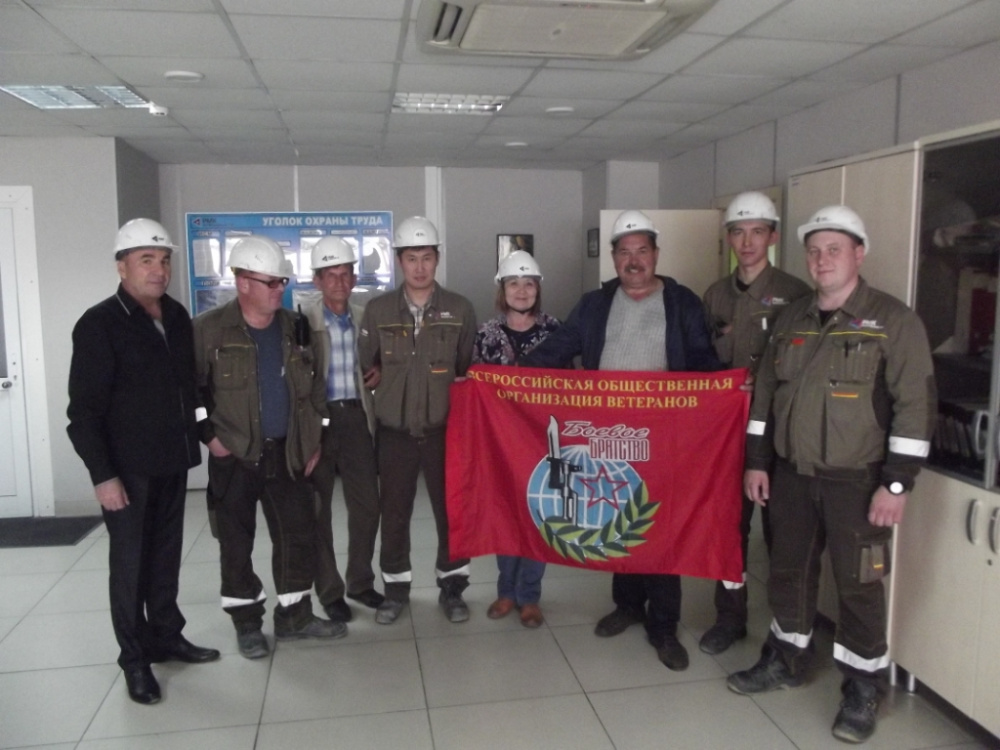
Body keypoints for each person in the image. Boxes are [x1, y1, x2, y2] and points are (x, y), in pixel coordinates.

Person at [727, 206, 936, 744]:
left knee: (859, 586)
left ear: (858, 254)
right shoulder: (792, 318)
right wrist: (757, 461)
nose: (822, 260)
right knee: (787, 573)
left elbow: (915, 408)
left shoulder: (893, 321)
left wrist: (896, 483)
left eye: (834, 249)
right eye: (815, 251)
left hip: (858, 482)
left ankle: (863, 688)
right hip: (792, 476)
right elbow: (766, 397)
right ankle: (786, 659)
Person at [521, 209, 722, 670]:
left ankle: (664, 626)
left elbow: (702, 360)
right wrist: (504, 377)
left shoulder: (682, 302)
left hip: (664, 435)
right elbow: (559, 348)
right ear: (613, 258)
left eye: (642, 251)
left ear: (656, 254)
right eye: (625, 252)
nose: (634, 260)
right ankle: (627, 606)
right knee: (614, 513)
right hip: (608, 434)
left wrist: (729, 389)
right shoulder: (595, 304)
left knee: (662, 526)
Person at [67, 218, 219, 706]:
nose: (158, 270)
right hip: (127, 470)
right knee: (130, 566)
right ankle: (135, 660)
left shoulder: (174, 315)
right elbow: (83, 414)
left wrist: (203, 433)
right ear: (122, 266)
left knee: (165, 558)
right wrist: (103, 476)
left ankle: (167, 636)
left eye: (164, 260)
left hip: (172, 460)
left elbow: (190, 389)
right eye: (146, 260)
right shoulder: (99, 324)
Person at [193, 235, 344, 660]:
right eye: (271, 282)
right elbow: (192, 394)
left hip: (289, 454)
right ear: (243, 282)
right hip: (235, 456)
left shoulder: (296, 327)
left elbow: (316, 390)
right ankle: (247, 624)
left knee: (298, 536)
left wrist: (313, 440)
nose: (280, 289)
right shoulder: (208, 330)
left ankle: (295, 617)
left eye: (283, 281)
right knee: (235, 544)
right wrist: (210, 439)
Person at [699, 192, 810, 655]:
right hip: (727, 436)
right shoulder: (715, 295)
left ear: (773, 237)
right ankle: (730, 618)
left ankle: (787, 630)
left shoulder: (797, 294)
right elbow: (703, 363)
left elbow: (806, 369)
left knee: (784, 537)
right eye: (738, 233)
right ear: (728, 238)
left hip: (778, 434)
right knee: (729, 530)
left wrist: (762, 381)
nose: (747, 242)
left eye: (757, 232)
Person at [358, 216, 477, 625]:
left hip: (445, 432)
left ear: (437, 259)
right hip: (395, 434)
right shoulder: (378, 310)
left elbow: (465, 368)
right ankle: (395, 591)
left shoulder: (460, 309)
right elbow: (368, 364)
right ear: (399, 261)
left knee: (452, 513)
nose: (420, 267)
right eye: (411, 258)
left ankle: (453, 588)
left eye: (427, 257)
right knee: (394, 515)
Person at [473, 250, 561, 629]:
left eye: (529, 284)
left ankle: (530, 596)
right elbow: (474, 388)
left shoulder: (556, 332)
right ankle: (506, 592)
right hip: (501, 445)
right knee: (505, 514)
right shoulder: (486, 335)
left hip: (542, 443)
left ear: (538, 289)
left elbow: (572, 387)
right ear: (502, 289)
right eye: (514, 283)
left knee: (539, 517)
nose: (522, 291)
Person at [304, 236, 384, 622]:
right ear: (317, 280)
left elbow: (382, 360)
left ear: (354, 278)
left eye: (345, 274)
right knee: (318, 510)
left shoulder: (365, 318)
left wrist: (380, 369)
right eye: (330, 275)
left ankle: (360, 582)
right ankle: (330, 590)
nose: (339, 282)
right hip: (318, 421)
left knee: (367, 505)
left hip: (356, 417)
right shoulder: (301, 321)